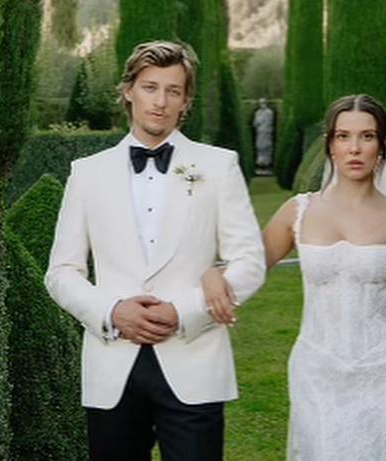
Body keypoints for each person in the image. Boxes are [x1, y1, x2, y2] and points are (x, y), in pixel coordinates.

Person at [44, 40, 266, 461]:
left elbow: (250, 262)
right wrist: (112, 311)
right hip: (112, 363)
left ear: (186, 102)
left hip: (194, 360)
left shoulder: (219, 166)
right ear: (128, 91)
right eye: (150, 87)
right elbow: (61, 271)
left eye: (173, 91)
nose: (160, 101)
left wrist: (184, 311)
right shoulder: (87, 173)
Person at [202, 94, 386, 460]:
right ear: (330, 144)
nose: (354, 148)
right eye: (343, 136)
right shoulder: (297, 212)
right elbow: (249, 266)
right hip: (317, 371)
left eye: (367, 136)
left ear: (383, 145)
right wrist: (212, 274)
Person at [252, 98, 275, 170]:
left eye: (263, 103)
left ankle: (267, 163)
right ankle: (260, 163)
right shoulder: (257, 113)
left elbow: (269, 122)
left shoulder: (269, 112)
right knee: (259, 147)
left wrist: (260, 121)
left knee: (267, 148)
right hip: (260, 132)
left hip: (267, 132)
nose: (262, 105)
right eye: (261, 103)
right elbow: (255, 123)